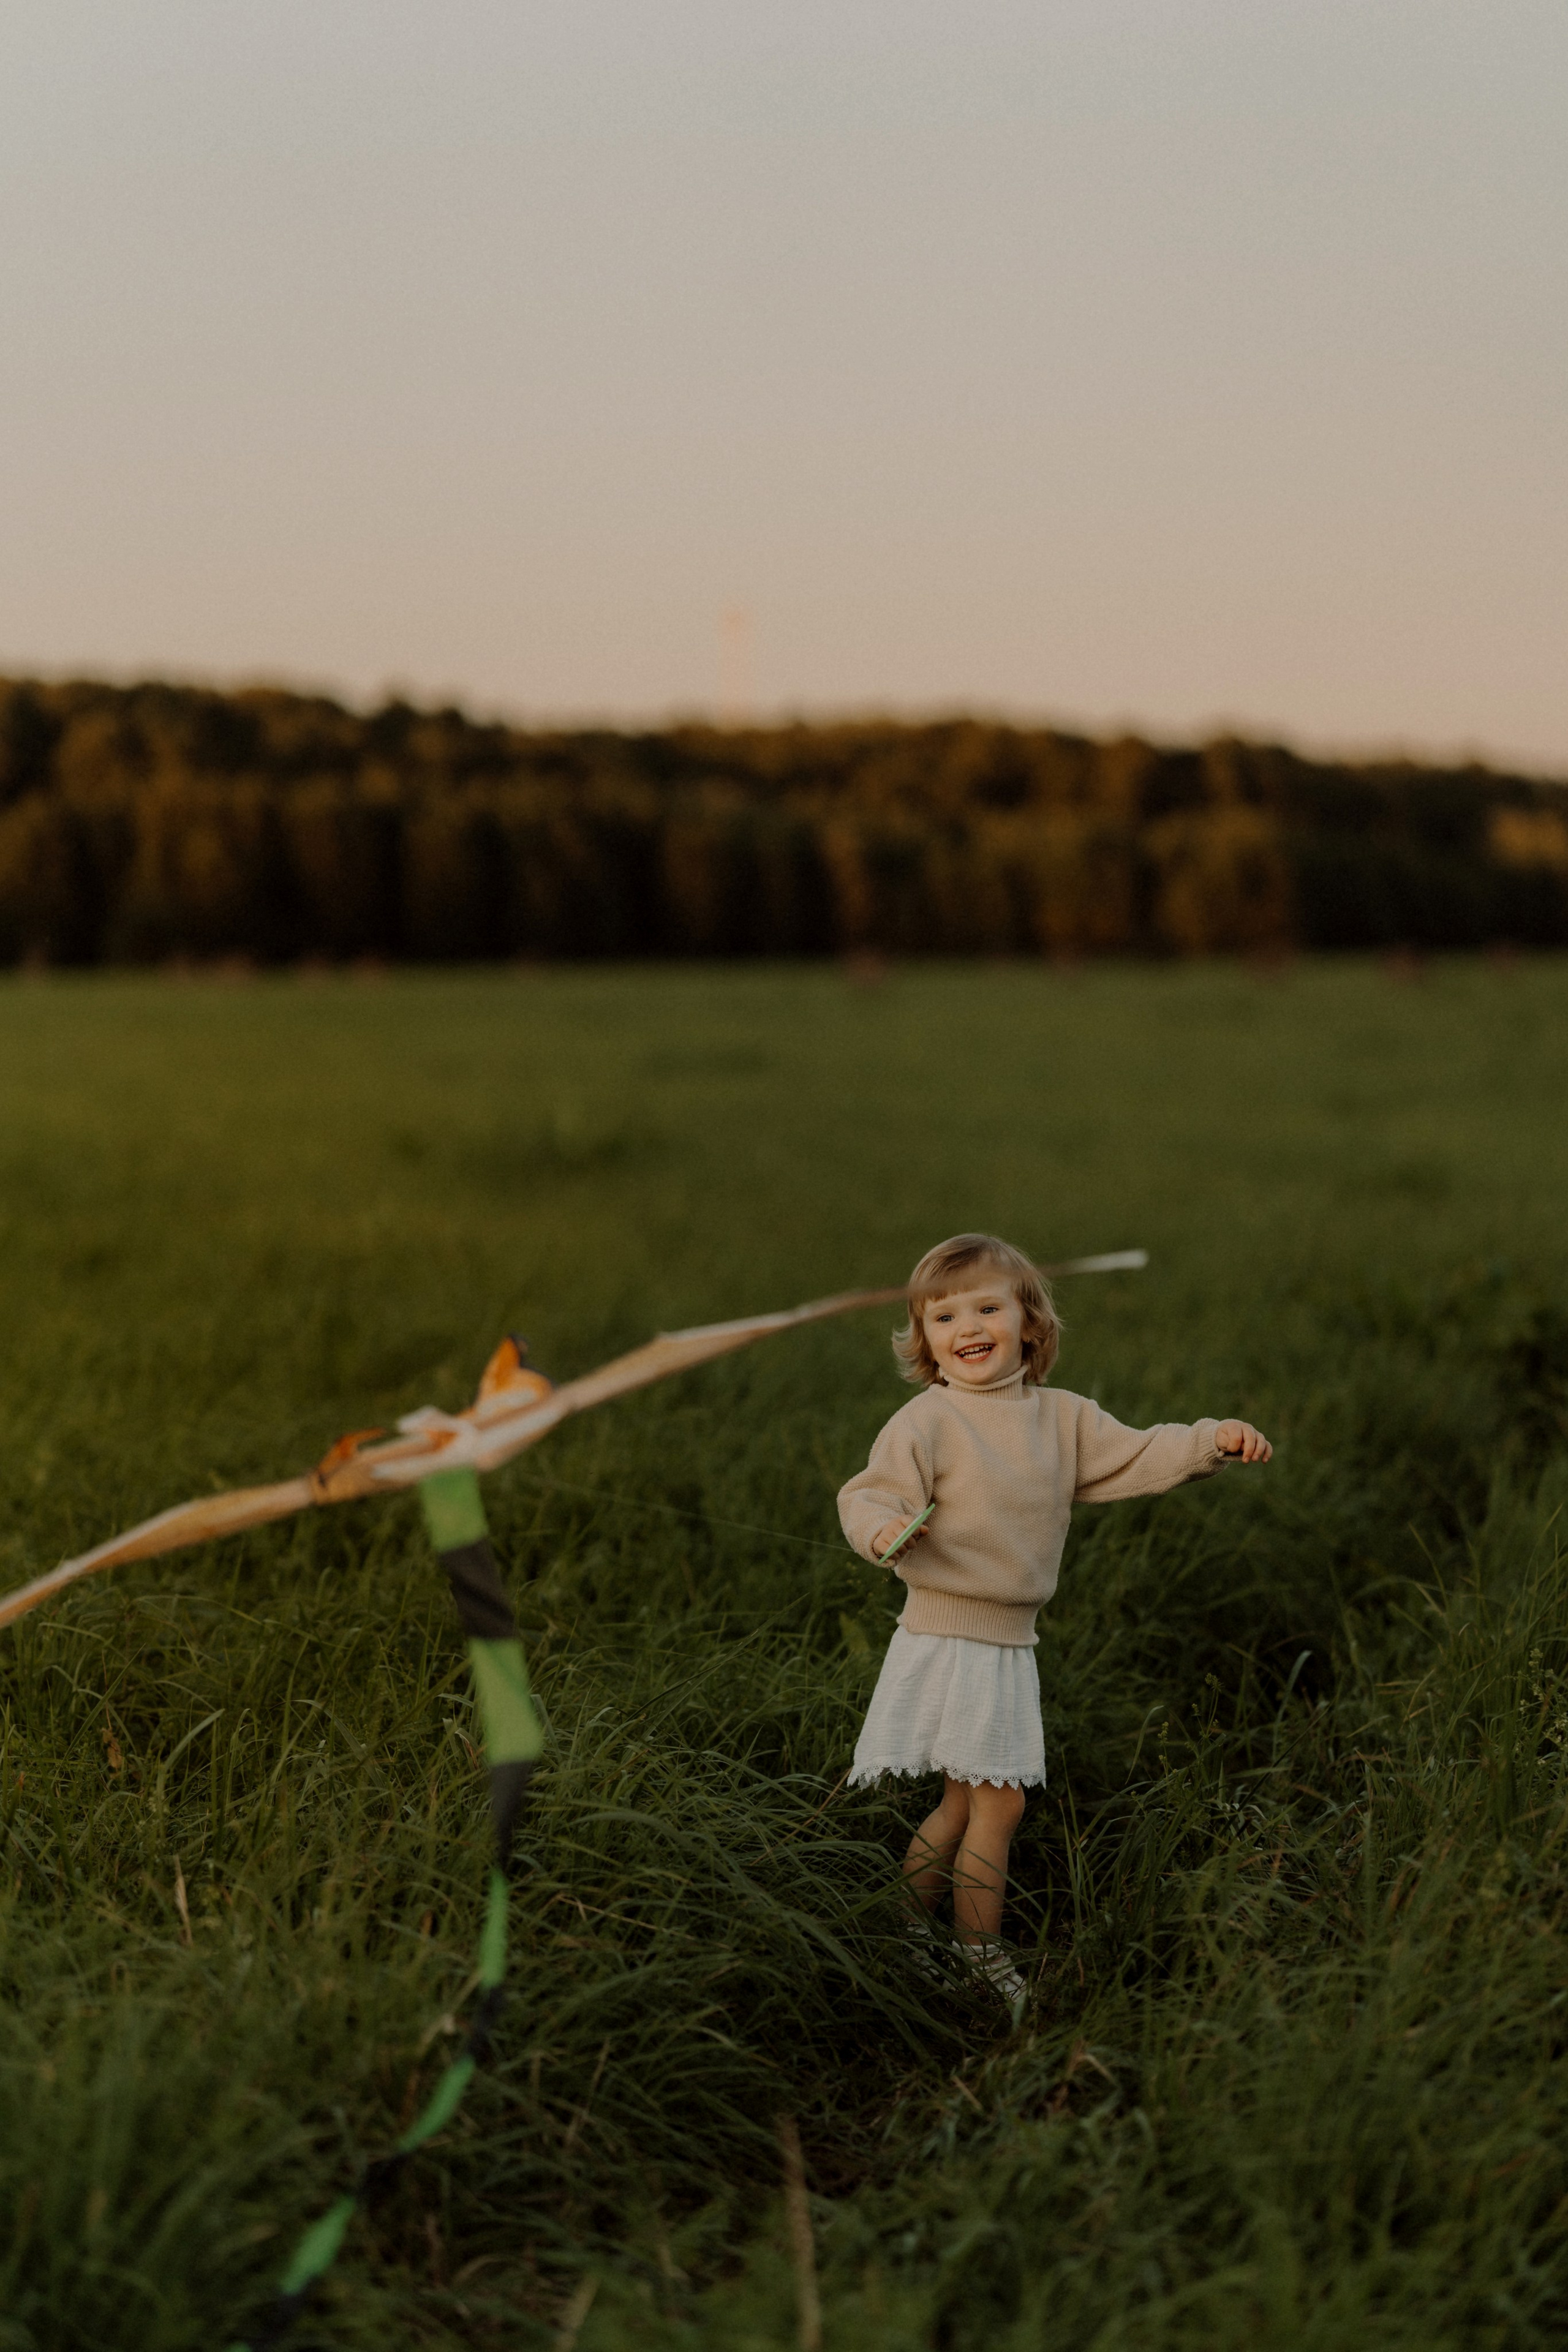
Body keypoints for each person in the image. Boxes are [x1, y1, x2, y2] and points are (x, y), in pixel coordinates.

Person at [837, 1233, 1271, 2013]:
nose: (966, 1327)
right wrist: (880, 1529)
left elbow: (1140, 1453)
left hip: (1006, 1640)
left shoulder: (1061, 1420)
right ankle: (978, 1956)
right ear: (924, 1339)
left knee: (964, 1804)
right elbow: (868, 1493)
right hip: (948, 1636)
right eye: (943, 1316)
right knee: (998, 1804)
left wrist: (1211, 1439)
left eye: (986, 1307)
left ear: (1030, 1324)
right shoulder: (927, 1420)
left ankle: (901, 1935)